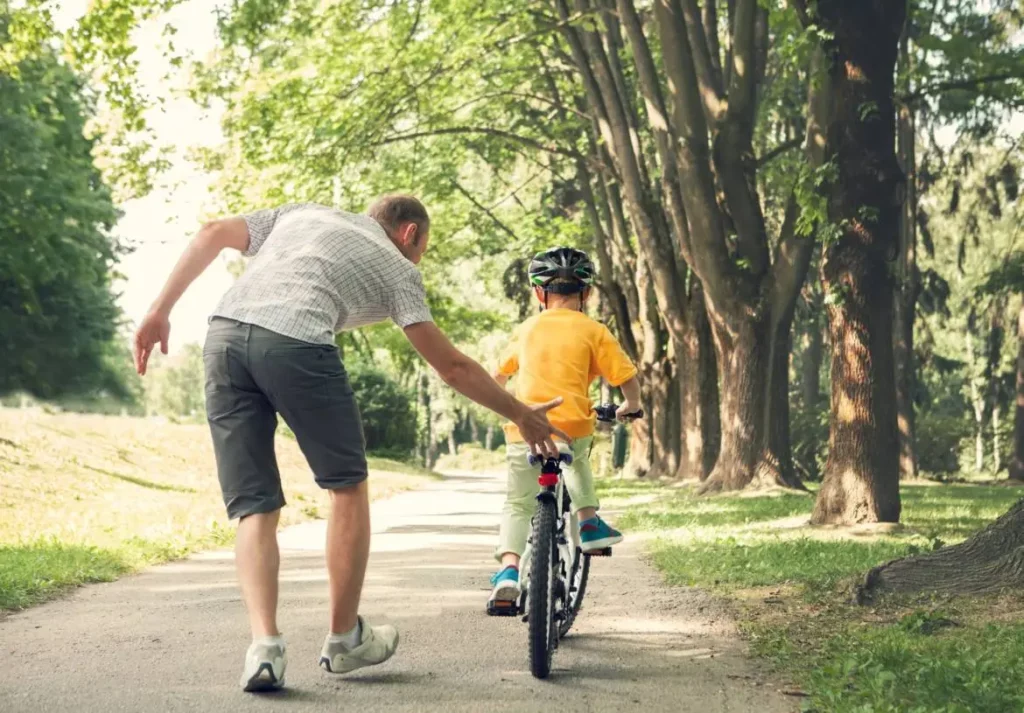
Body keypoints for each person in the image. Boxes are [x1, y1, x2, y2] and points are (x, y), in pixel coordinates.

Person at [132, 196, 569, 692]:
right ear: (409, 234)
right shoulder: (398, 267)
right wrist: (521, 415)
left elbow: (211, 231)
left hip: (224, 339)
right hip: (296, 344)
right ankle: (344, 639)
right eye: (422, 248)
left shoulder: (300, 213)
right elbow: (451, 366)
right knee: (346, 486)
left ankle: (265, 648)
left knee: (254, 504)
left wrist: (158, 310)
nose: (418, 259)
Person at [487, 246, 642, 608]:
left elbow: (497, 376)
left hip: (524, 427)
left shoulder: (525, 329)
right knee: (578, 461)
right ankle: (588, 522)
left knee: (517, 502)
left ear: (539, 293)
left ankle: (509, 570)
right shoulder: (594, 330)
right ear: (586, 293)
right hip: (572, 423)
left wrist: (505, 409)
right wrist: (631, 405)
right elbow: (626, 376)